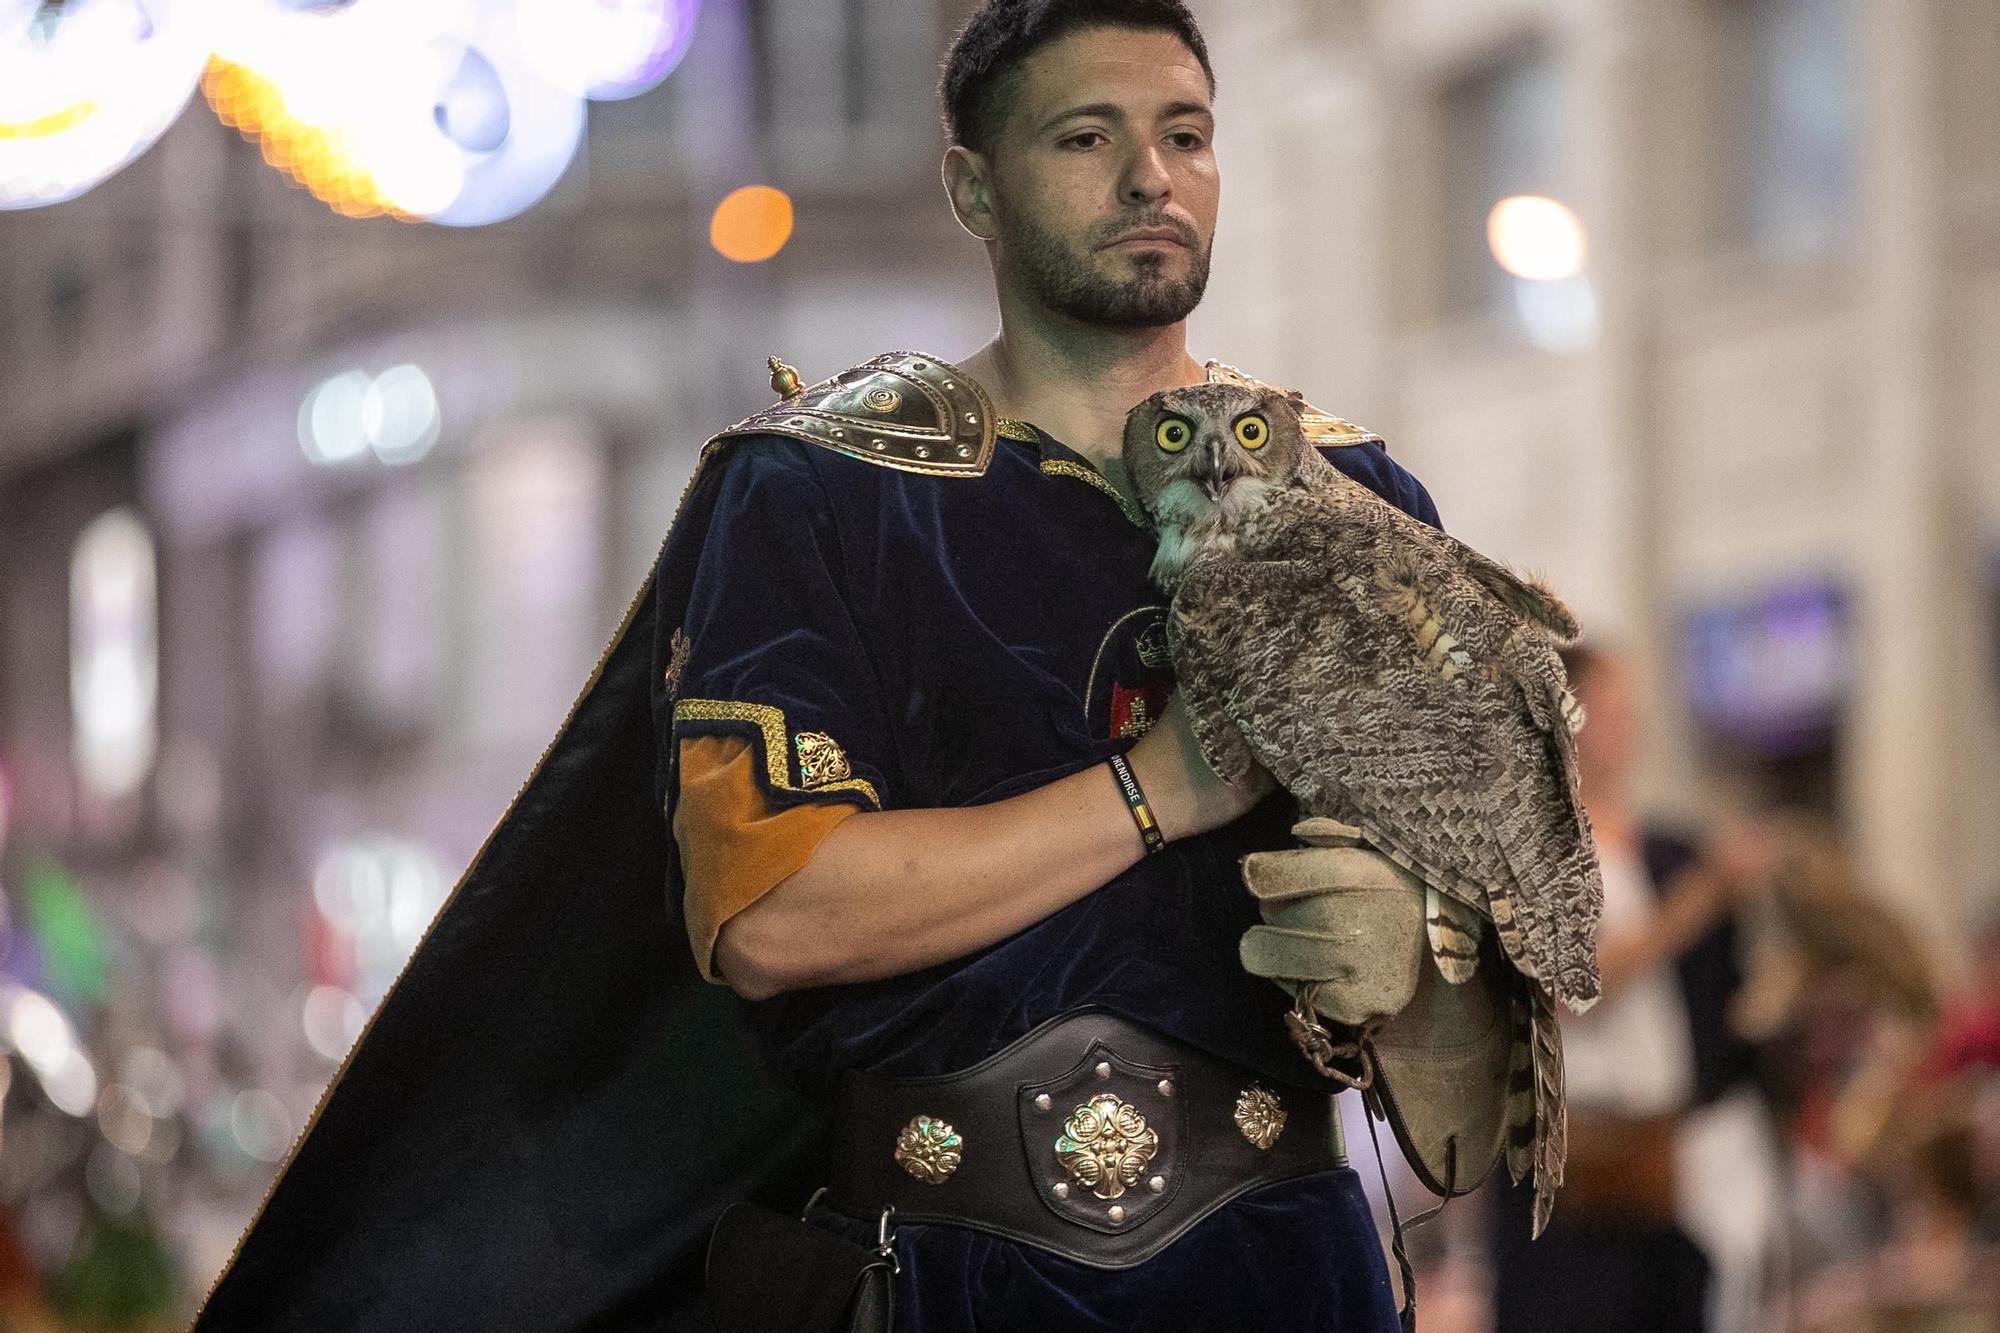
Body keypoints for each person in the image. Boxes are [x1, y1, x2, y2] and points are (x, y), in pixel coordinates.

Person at [190, 3, 1442, 1330]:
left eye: (1184, 135)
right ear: (973, 189)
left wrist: (1423, 962)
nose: (1151, 177)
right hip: (949, 1271)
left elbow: (1483, 973)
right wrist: (1156, 790)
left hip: (1289, 1269)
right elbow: (771, 912)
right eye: (1087, 138)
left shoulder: (1355, 501)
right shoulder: (816, 491)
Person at [1489, 645, 1782, 1333]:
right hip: (1577, 1160)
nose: (1629, 728)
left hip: (1658, 1150)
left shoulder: (1660, 847)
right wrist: (1697, 901)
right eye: (1611, 711)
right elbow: (1568, 983)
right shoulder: (1531, 844)